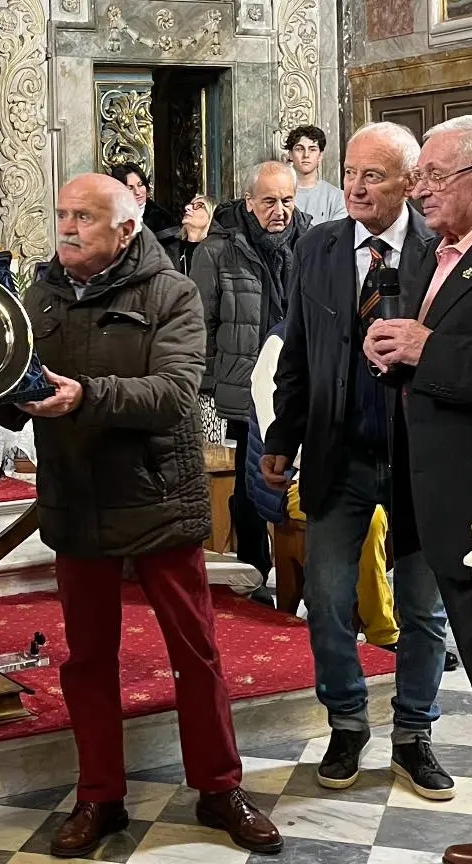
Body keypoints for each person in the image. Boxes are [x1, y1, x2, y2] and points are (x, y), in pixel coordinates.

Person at [0, 172, 283, 859]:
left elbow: (174, 395)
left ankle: (219, 787)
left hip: (156, 498)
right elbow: (15, 389)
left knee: (195, 652)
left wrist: (82, 396)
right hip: (76, 496)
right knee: (88, 660)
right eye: (60, 214)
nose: (66, 228)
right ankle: (99, 796)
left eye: (82, 217)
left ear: (124, 229)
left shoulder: (170, 292)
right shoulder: (41, 296)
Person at [365, 114, 472, 864]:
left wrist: (428, 349)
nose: (418, 189)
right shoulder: (445, 250)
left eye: (433, 175)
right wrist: (400, 351)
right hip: (447, 501)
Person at [261, 122, 454, 799]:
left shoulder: (440, 250)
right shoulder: (317, 246)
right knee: (330, 599)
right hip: (337, 456)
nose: (355, 186)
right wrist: (281, 437)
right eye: (349, 172)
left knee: (423, 610)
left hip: (416, 460)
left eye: (372, 175)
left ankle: (414, 735)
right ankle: (347, 723)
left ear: (409, 181)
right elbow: (299, 353)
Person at [190, 162, 310, 605]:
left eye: (287, 201)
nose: (280, 211)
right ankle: (255, 571)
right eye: (270, 202)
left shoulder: (312, 241)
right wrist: (205, 384)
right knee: (247, 482)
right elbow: (199, 321)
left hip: (295, 380)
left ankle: (298, 570)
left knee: (290, 476)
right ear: (249, 202)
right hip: (240, 385)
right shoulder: (218, 250)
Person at [249, 324, 399, 649]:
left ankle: (419, 631)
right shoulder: (279, 343)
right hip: (295, 477)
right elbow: (276, 436)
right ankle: (383, 632)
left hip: (366, 468)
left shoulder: (359, 332)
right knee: (368, 519)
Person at [285, 124, 348, 225]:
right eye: (300, 149)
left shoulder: (338, 198)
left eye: (312, 149)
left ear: (320, 156)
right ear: (290, 154)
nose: (306, 155)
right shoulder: (277, 194)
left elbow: (335, 236)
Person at [109, 162, 179, 248]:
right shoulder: (110, 216)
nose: (137, 192)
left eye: (140, 185)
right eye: (130, 188)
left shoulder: (160, 218)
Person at [170, 193, 216, 275]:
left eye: (198, 206)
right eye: (189, 205)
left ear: (211, 215)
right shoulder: (171, 251)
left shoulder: (219, 251)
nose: (187, 208)